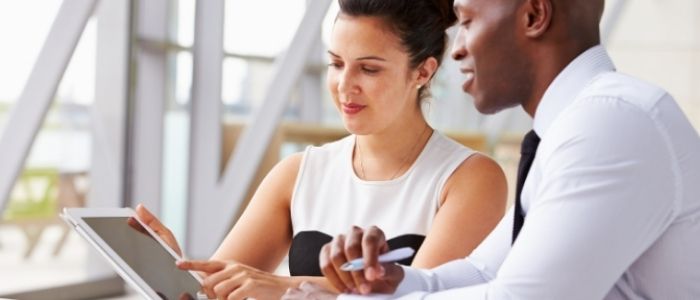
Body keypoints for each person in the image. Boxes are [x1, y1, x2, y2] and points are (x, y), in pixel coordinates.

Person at [286, 0, 700, 299]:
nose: (459, 49)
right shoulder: (572, 127)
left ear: (534, 15)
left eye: (467, 21)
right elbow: (484, 270)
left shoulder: (610, 123)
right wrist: (391, 281)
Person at [137, 0, 508, 298]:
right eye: (335, 64)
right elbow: (219, 290)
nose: (345, 85)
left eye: (369, 69)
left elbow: (423, 294)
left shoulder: (471, 178)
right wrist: (176, 269)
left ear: (423, 72)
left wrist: (282, 288)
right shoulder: (298, 173)